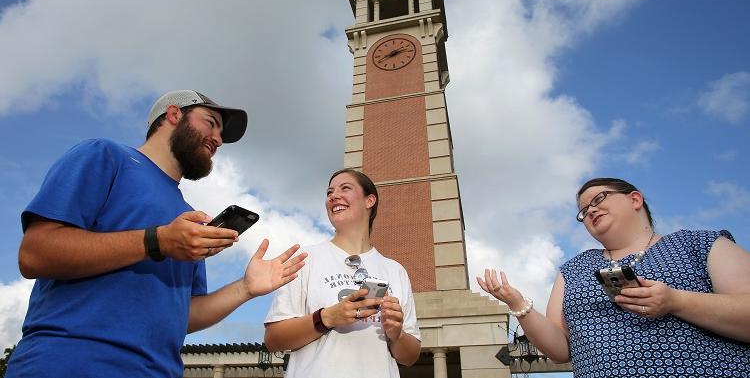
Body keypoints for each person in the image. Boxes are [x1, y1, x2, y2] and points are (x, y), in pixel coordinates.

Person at [6, 90, 307, 378]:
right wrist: (157, 241)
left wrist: (245, 288)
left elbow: (183, 315)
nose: (218, 139)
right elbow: (35, 253)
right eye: (211, 124)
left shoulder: (188, 219)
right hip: (71, 363)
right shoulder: (105, 156)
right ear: (174, 114)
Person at [477, 177, 750, 377]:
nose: (591, 211)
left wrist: (675, 302)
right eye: (584, 211)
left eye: (598, 199)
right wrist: (518, 304)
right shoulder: (573, 269)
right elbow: (560, 350)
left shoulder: (699, 244)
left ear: (635, 199)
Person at [264, 169, 421, 378]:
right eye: (329, 192)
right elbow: (274, 340)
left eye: (345, 188)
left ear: (369, 200)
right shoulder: (306, 259)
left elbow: (409, 357)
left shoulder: (395, 270)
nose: (333, 196)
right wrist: (327, 317)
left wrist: (397, 333)